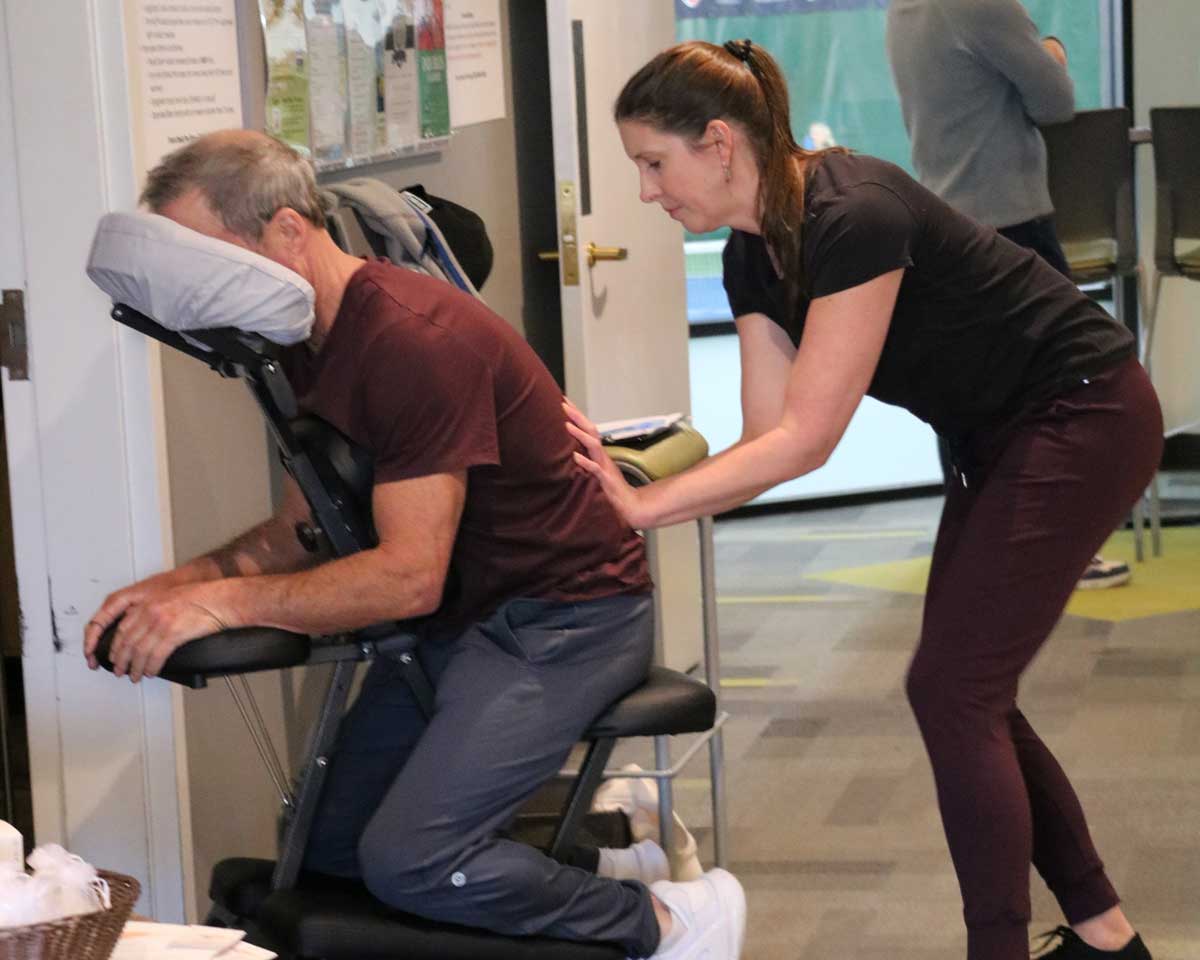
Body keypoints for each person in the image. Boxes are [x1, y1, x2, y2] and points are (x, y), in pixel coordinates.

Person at [82, 130, 745, 960]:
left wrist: (218, 603)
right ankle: (608, 857)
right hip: (471, 621)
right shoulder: (302, 339)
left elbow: (406, 578)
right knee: (330, 854)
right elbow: (300, 528)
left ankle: (673, 923)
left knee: (414, 861)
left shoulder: (411, 340)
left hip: (566, 619)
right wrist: (175, 585)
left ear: (286, 233)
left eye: (208, 257)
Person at [563, 40, 1159, 960]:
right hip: (999, 436)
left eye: (653, 162)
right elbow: (770, 441)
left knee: (955, 692)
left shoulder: (854, 211)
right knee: (966, 693)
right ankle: (1106, 936)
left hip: (1085, 410)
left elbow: (810, 437)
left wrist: (645, 508)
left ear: (719, 142)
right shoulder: (750, 258)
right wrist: (638, 469)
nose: (647, 191)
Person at [886, 0, 1132, 590]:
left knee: (971, 400)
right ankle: (1056, 550)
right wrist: (1052, 50)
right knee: (1066, 386)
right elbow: (1057, 101)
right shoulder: (981, 4)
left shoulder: (904, 11)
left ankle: (983, 547)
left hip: (950, 224)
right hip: (1013, 226)